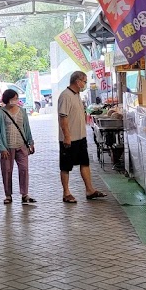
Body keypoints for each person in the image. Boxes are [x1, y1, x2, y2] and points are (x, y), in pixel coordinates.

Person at [58, 71, 107, 204]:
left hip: (81, 137)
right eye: (84, 81)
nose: (85, 84)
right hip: (69, 138)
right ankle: (66, 193)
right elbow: (63, 118)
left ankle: (90, 190)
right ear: (77, 81)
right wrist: (67, 136)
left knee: (84, 163)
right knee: (66, 166)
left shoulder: (77, 95)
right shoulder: (65, 96)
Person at [0, 88, 36, 205]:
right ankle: (8, 195)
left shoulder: (22, 112)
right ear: (7, 100)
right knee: (7, 171)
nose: (15, 101)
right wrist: (2, 147)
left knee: (24, 169)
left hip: (21, 145)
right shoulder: (1, 113)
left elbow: (26, 128)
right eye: (13, 99)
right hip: (7, 148)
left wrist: (30, 141)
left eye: (16, 98)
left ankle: (25, 194)